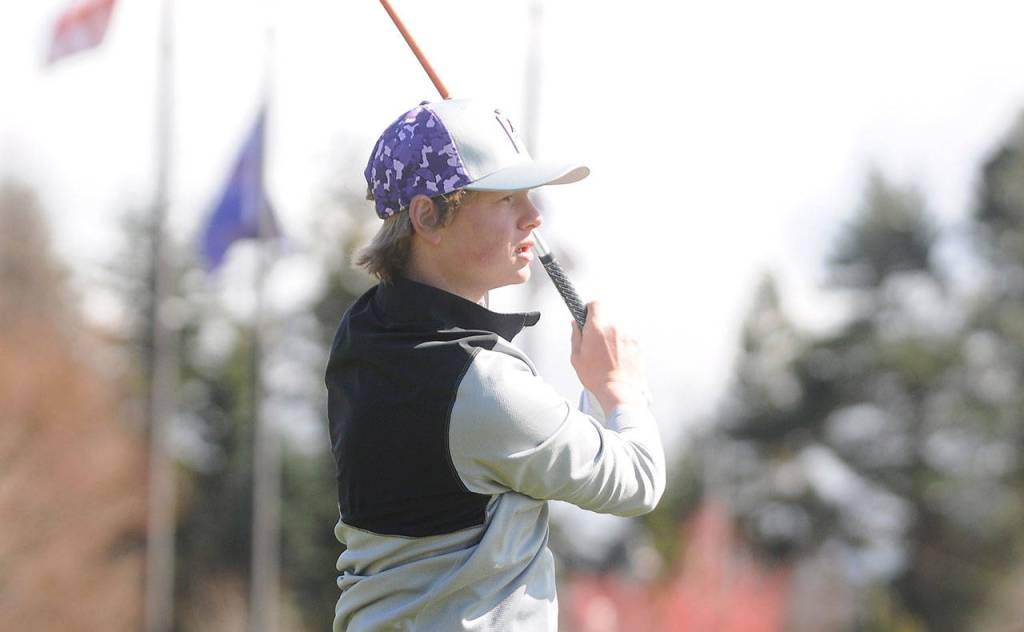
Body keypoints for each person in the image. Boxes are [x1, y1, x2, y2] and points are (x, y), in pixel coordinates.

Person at [325, 98, 665, 631]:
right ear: (427, 216)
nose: (535, 217)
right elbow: (638, 480)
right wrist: (617, 387)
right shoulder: (485, 389)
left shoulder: (363, 333)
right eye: (507, 198)